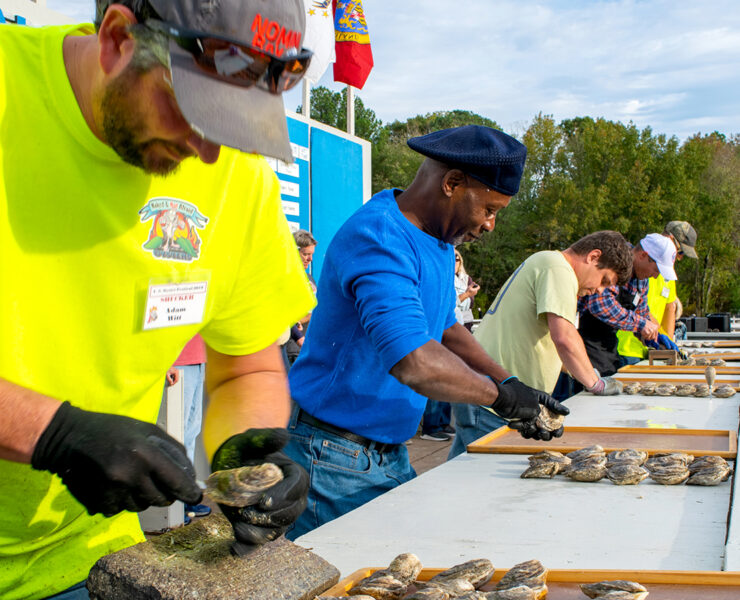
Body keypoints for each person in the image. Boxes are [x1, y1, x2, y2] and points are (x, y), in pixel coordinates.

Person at [0, 1, 316, 598]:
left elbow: (244, 366)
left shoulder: (237, 176)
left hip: (86, 561)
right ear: (118, 38)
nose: (209, 154)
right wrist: (52, 433)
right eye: (197, 113)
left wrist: (246, 463)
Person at [283, 125, 569, 540]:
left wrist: (506, 380)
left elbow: (444, 324)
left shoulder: (437, 240)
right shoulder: (380, 239)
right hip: (333, 454)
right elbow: (414, 361)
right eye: (489, 209)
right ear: (452, 183)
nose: (490, 225)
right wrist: (502, 400)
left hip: (382, 450)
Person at [449, 231, 634, 459]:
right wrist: (595, 383)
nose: (600, 290)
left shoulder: (549, 264)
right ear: (594, 257)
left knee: (459, 473)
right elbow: (564, 338)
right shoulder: (558, 269)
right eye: (604, 280)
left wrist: (587, 372)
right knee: (482, 478)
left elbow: (557, 344)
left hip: (492, 392)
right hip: (493, 397)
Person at [577, 233, 677, 377]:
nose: (656, 276)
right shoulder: (615, 261)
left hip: (608, 342)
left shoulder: (642, 280)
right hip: (585, 339)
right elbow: (600, 305)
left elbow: (641, 313)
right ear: (643, 255)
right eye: (656, 270)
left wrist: (654, 337)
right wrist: (641, 324)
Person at [616, 221, 698, 364]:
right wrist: (653, 331)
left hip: (648, 346)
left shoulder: (664, 272)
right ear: (671, 239)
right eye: (681, 252)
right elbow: (624, 308)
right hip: (624, 347)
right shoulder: (646, 266)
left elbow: (669, 307)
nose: (680, 258)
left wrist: (667, 341)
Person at [419, 249, 478, 441]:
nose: (455, 261)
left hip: (456, 329)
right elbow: (448, 303)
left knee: (449, 379)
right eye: (452, 257)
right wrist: (466, 295)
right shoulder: (437, 277)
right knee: (436, 379)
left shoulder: (462, 278)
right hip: (437, 333)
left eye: (458, 258)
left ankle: (443, 422)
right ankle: (431, 426)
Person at [165, 335, 211, 522]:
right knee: (176, 437)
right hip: (178, 363)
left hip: (197, 360)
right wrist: (165, 362)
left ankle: (184, 498)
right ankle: (173, 504)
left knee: (190, 434)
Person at [285, 230, 319, 364]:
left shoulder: (309, 279)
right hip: (291, 348)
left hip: (307, 349)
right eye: (305, 254)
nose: (310, 259)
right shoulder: (285, 277)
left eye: (311, 255)